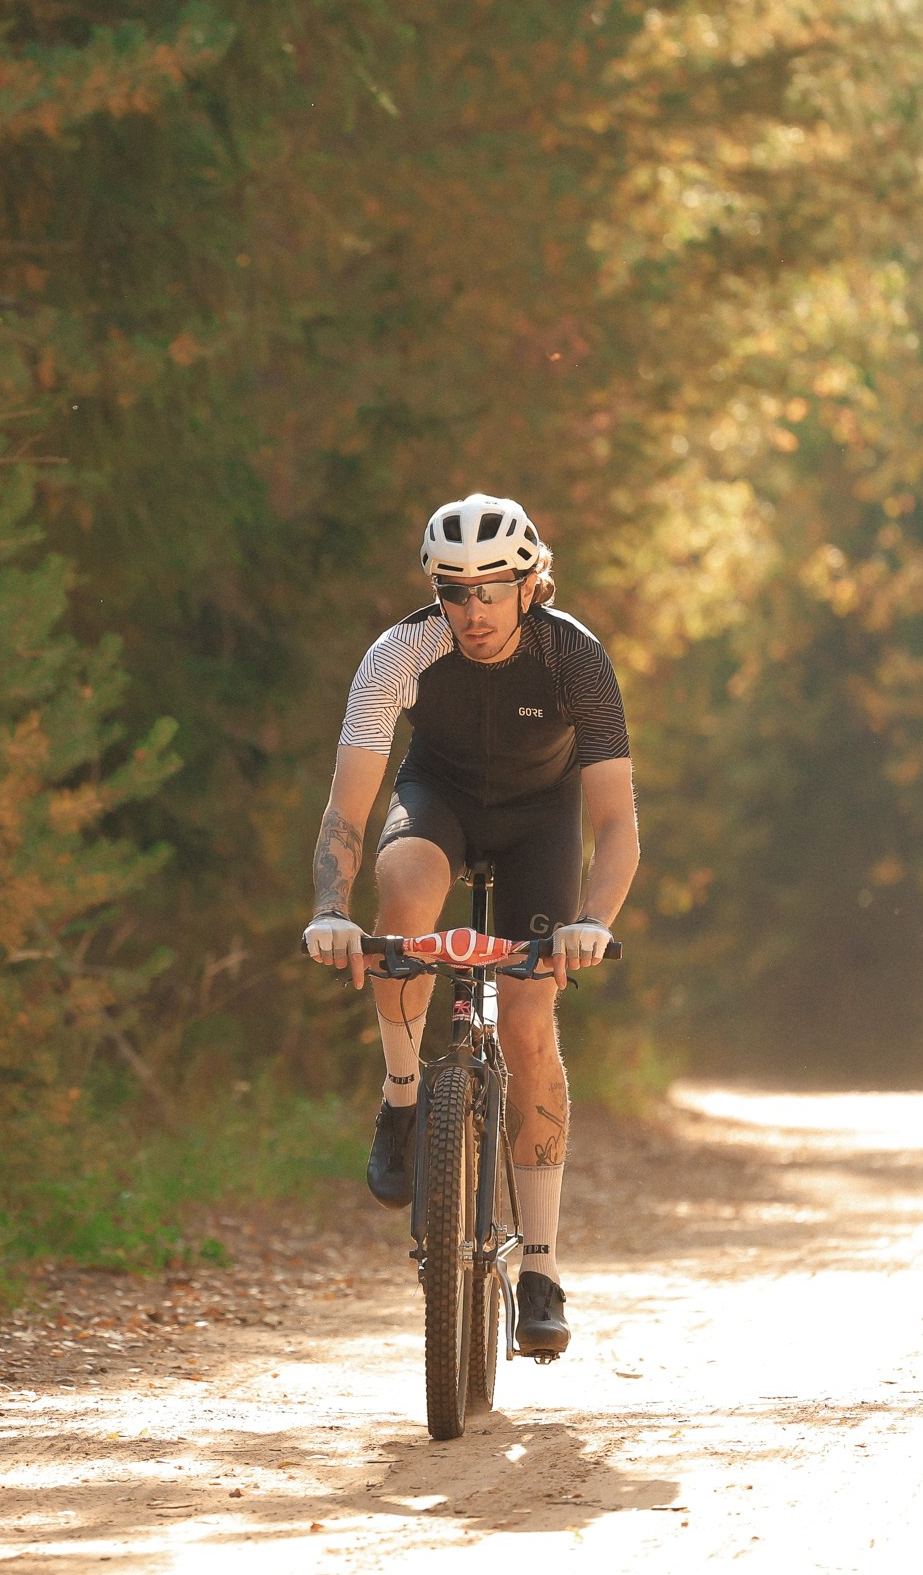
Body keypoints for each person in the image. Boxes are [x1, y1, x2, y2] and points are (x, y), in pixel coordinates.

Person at [302, 494, 639, 1355]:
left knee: (527, 1024)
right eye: (454, 590)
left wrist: (592, 921)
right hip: (439, 800)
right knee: (404, 896)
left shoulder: (576, 659)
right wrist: (330, 913)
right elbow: (347, 808)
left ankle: (541, 1268)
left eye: (492, 588)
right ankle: (404, 1099)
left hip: (539, 822)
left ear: (531, 584)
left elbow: (616, 823)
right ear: (436, 592)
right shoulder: (399, 654)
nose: (473, 610)